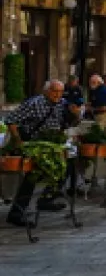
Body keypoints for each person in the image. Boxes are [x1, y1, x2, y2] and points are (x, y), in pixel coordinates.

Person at [5, 80, 73, 227]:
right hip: (34, 144)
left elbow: (68, 122)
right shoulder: (34, 104)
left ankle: (46, 199)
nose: (58, 95)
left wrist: (75, 114)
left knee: (66, 167)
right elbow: (10, 120)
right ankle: (16, 213)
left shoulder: (61, 104)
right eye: (55, 91)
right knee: (32, 176)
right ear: (46, 91)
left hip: (52, 145)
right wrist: (18, 141)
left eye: (61, 92)